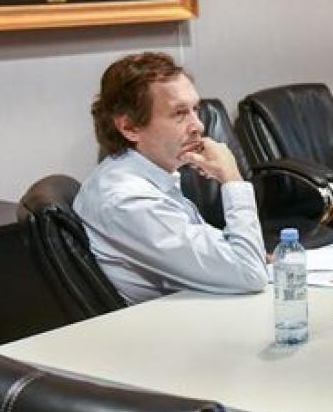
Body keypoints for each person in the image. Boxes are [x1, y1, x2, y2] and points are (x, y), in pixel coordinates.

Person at [75, 52, 267, 305]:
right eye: (179, 113)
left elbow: (232, 260)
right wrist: (232, 180)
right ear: (129, 128)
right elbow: (250, 274)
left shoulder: (145, 175)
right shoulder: (127, 200)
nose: (198, 126)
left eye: (195, 109)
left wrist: (241, 253)